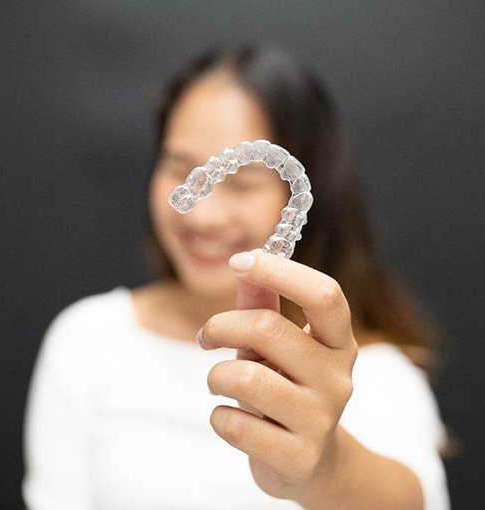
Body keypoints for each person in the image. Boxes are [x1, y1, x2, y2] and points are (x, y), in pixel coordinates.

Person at [22, 47, 450, 509]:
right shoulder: (88, 339)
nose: (203, 216)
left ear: (308, 194)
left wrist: (323, 471)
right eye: (180, 169)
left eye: (244, 185)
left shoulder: (379, 376)